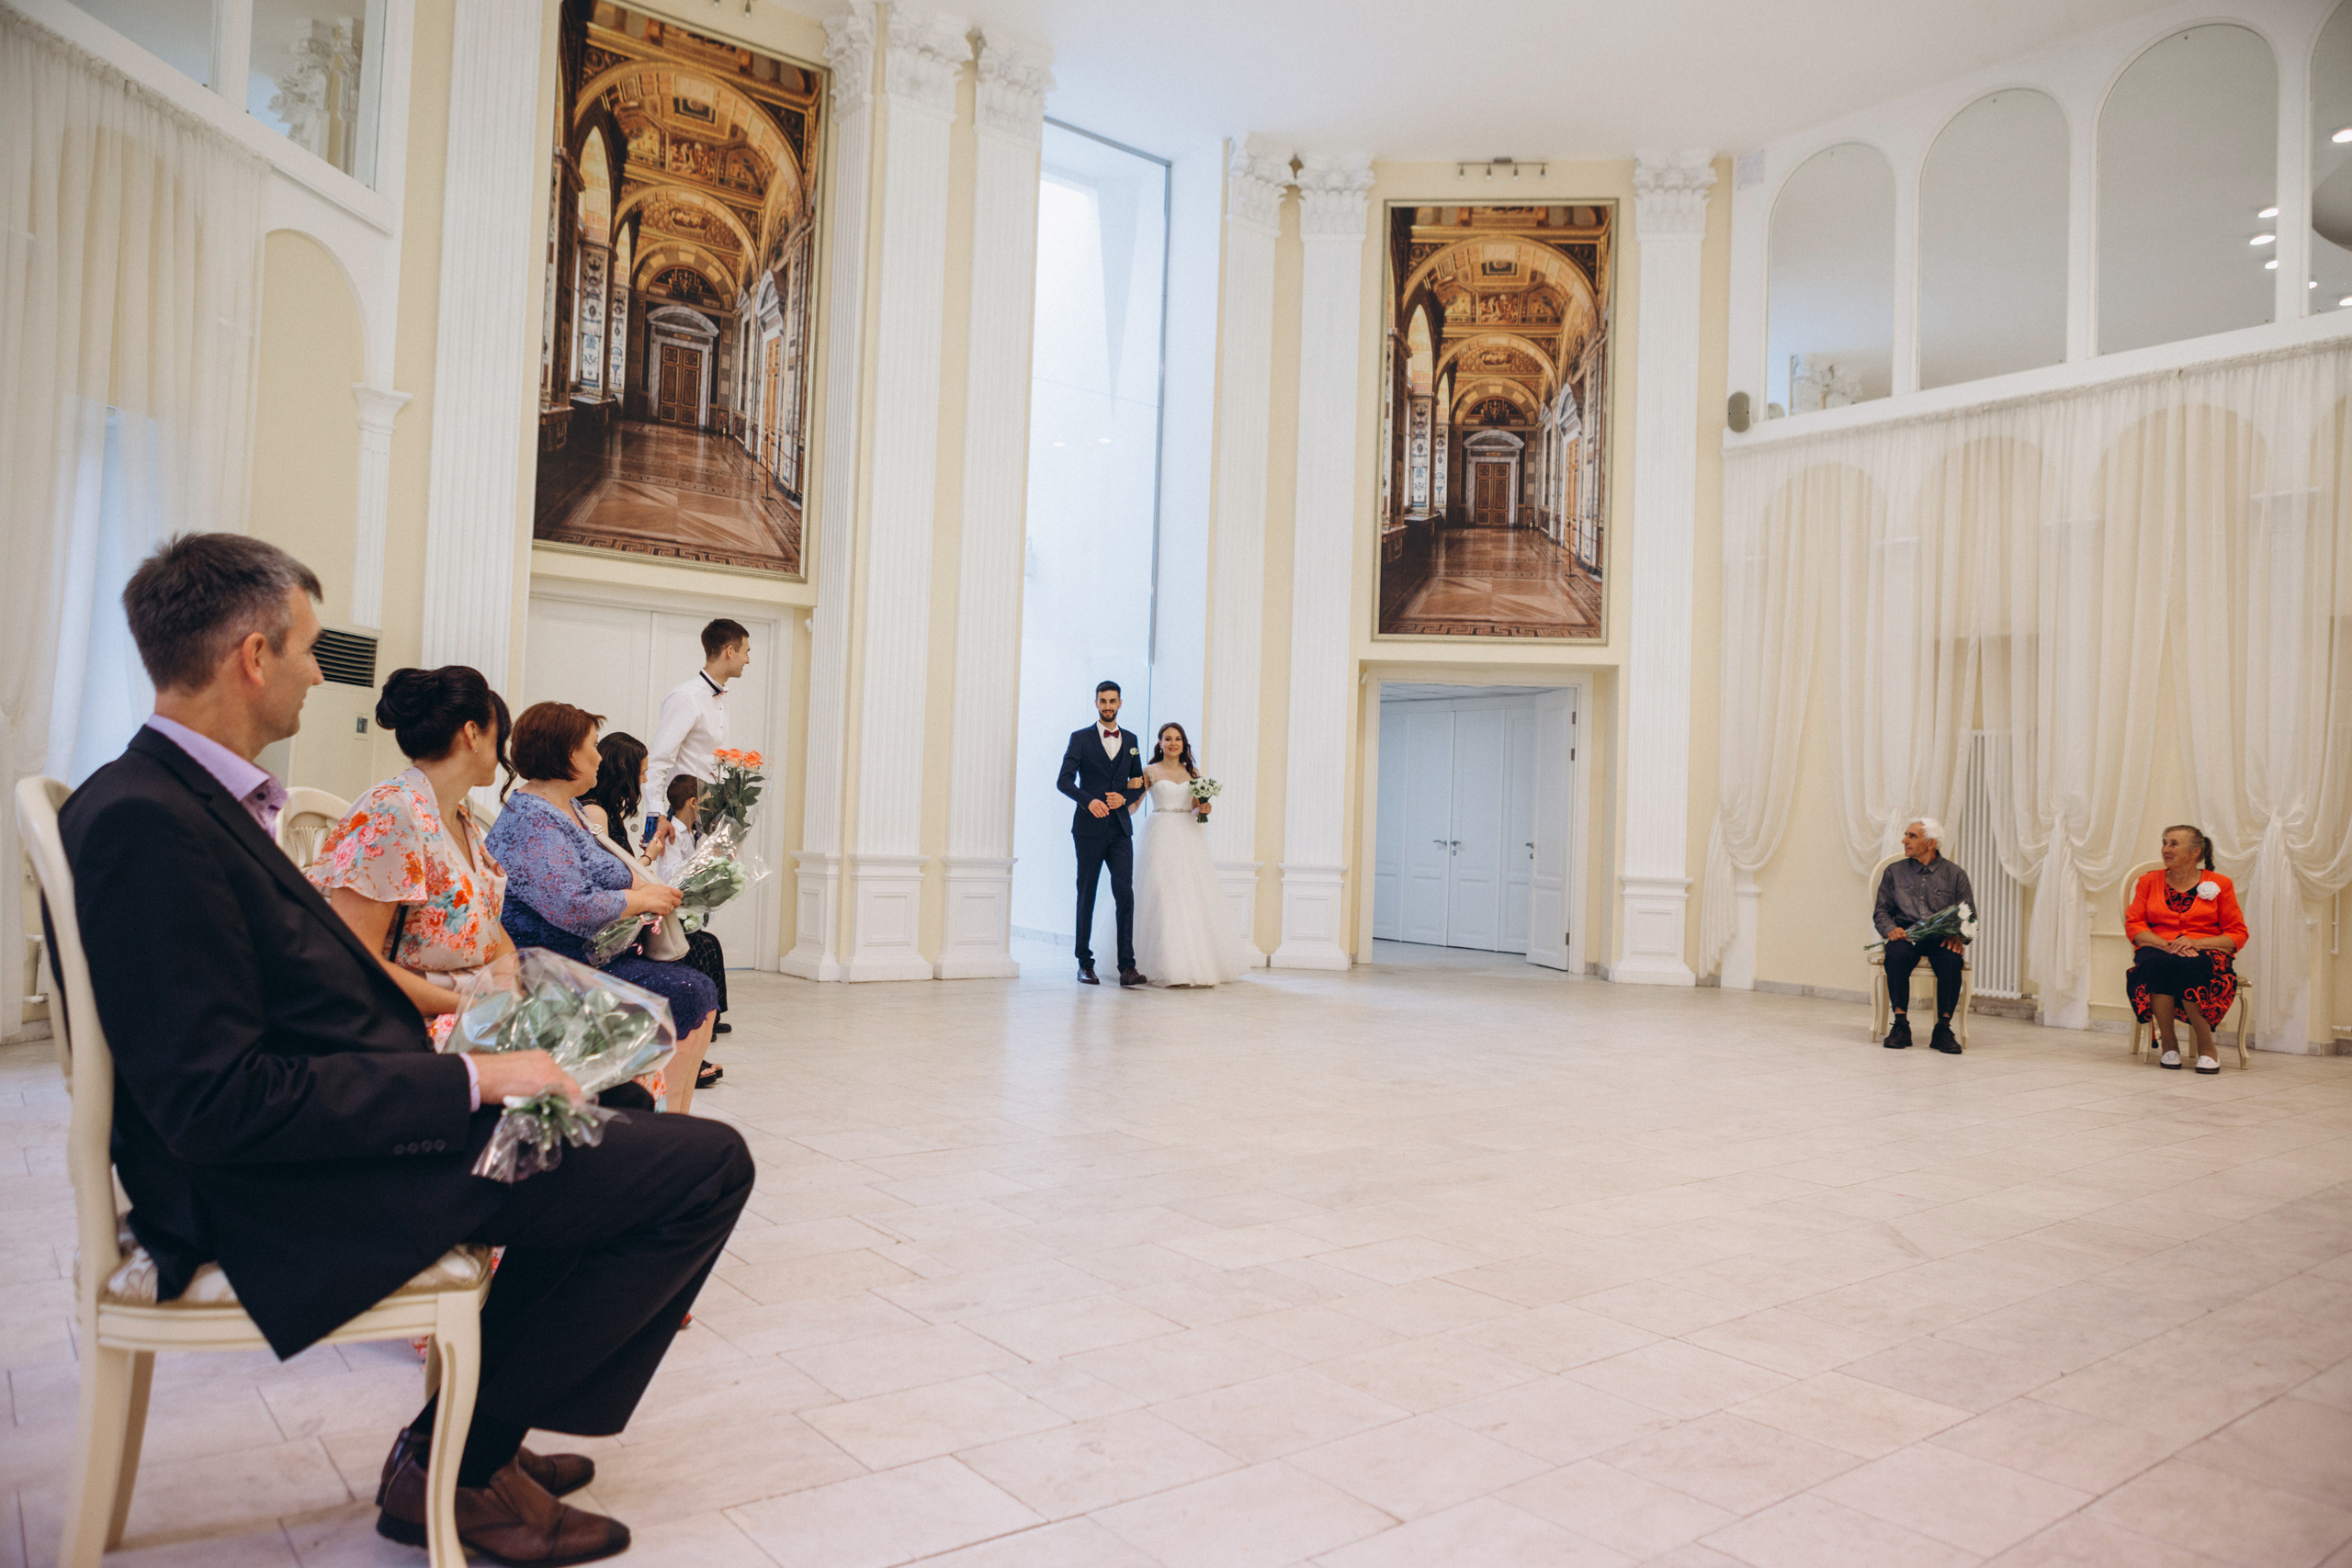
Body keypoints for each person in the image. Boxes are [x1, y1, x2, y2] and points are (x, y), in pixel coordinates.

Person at [56, 534, 752, 1564]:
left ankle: (464, 1437)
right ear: (253, 657)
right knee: (705, 1169)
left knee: (626, 1124)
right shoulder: (146, 820)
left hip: (337, 1138)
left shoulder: (182, 800)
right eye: (305, 648)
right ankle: (462, 1464)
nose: (313, 670)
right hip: (278, 1190)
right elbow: (216, 1103)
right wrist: (471, 1076)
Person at [488, 703, 718, 1113]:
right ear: (568, 756)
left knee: (699, 987)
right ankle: (663, 1123)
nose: (599, 756)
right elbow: (571, 905)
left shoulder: (569, 809)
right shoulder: (534, 820)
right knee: (687, 992)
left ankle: (676, 1118)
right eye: (592, 746)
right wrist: (642, 899)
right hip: (549, 964)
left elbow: (605, 875)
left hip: (588, 952)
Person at [308, 666, 514, 1044]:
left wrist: (510, 987)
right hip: (413, 1018)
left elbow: (490, 927)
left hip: (471, 1007)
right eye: (500, 735)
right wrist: (468, 1005)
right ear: (472, 733)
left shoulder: (457, 814)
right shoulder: (391, 812)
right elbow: (356, 958)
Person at [583, 735, 729, 1073]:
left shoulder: (608, 812)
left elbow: (624, 873)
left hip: (627, 908)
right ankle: (682, 1054)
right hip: (614, 920)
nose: (645, 781)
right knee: (695, 950)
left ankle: (689, 1046)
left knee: (701, 944)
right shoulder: (595, 812)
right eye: (642, 773)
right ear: (625, 772)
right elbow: (613, 879)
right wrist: (650, 857)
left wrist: (650, 853)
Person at [2126, 824, 2248, 1074]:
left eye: (2173, 843)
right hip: (2159, 948)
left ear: (2195, 852)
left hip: (2205, 950)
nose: (2166, 849)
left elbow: (2237, 933)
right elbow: (2134, 924)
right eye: (2164, 843)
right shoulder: (2148, 881)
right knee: (2158, 962)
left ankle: (2207, 1046)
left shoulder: (2220, 884)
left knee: (2190, 964)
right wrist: (2165, 944)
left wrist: (2197, 943)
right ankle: (2169, 1044)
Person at [1133, 722, 1243, 987]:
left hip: (1187, 834)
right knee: (1161, 894)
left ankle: (1190, 963)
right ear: (1159, 743)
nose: (1173, 743)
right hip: (1159, 833)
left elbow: (1195, 809)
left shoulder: (1193, 772)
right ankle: (1159, 964)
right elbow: (1134, 803)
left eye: (1178, 739)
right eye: (1167, 739)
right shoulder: (1149, 772)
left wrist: (1204, 809)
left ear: (1184, 744)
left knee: (1188, 894)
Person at [1057, 680, 1148, 987]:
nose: (1107, 706)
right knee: (1088, 893)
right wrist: (1089, 800)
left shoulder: (1133, 740)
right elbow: (1064, 781)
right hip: (1088, 829)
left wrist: (1124, 798)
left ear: (1120, 703)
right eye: (1102, 701)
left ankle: (1128, 967)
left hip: (1121, 829)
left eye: (1112, 701)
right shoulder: (1080, 739)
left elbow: (1138, 782)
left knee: (1125, 893)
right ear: (1096, 703)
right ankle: (1084, 963)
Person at [643, 617, 750, 852]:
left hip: (712, 816)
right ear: (730, 651)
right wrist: (657, 815)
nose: (748, 660)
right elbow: (658, 761)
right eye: (746, 652)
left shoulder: (718, 700)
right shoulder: (686, 697)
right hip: (685, 814)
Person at [1873, 817, 1974, 1055]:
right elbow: (1881, 910)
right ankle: (1900, 1026)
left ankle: (1942, 1029)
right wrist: (1890, 929)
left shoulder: (1956, 875)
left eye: (1912, 836)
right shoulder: (1893, 872)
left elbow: (1969, 916)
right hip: (1906, 937)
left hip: (1940, 938)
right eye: (1906, 835)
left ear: (1931, 843)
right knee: (1896, 956)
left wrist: (1958, 937)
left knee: (1951, 960)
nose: (1904, 840)